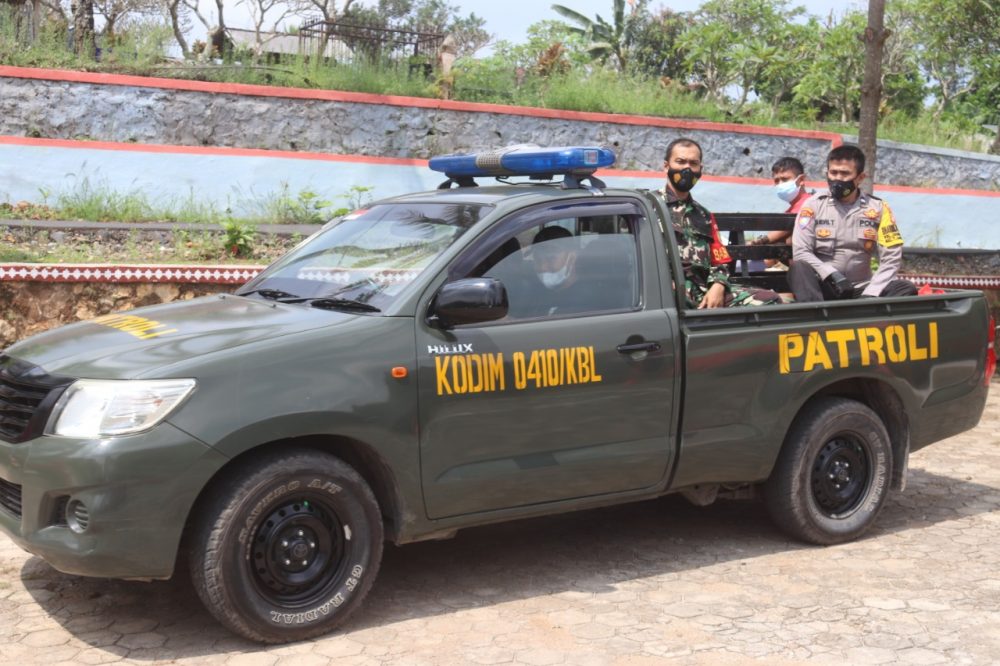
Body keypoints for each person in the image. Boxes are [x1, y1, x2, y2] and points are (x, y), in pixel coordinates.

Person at [656, 137, 781, 308]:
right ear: (666, 166)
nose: (687, 168)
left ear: (700, 169)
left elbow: (720, 260)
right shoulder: (649, 207)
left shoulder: (704, 216)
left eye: (693, 163)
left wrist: (718, 286)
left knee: (769, 299)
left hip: (704, 291)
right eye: (680, 161)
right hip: (665, 291)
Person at [789, 145, 918, 302]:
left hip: (862, 289)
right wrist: (831, 274)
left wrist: (871, 293)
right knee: (798, 268)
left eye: (844, 173)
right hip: (824, 288)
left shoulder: (878, 208)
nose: (837, 178)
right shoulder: (813, 205)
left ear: (860, 178)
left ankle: (864, 310)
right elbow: (801, 252)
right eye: (833, 172)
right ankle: (818, 319)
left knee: (905, 288)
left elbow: (891, 258)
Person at [751, 157, 811, 268]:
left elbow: (782, 230)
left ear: (801, 180)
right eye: (777, 181)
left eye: (785, 179)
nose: (780, 184)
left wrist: (755, 243)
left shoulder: (809, 204)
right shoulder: (790, 210)